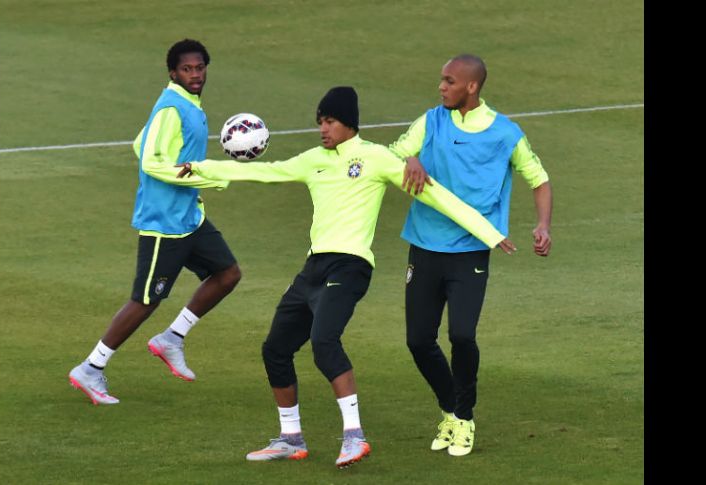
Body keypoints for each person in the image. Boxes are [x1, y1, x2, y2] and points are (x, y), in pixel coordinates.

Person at [176, 86, 515, 468]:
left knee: (324, 341)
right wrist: (202, 168)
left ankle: (354, 437)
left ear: (349, 124)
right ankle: (291, 438)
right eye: (320, 122)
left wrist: (489, 232)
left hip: (351, 266)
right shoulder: (313, 160)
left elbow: (437, 196)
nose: (323, 129)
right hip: (314, 267)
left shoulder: (377, 158)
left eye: (330, 121)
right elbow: (263, 172)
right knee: (275, 349)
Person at [390, 54, 553, 456]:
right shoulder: (431, 121)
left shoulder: (505, 133)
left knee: (462, 335)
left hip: (471, 251)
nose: (441, 87)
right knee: (418, 341)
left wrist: (543, 224)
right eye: (441, 80)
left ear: (472, 87)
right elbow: (391, 154)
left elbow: (539, 177)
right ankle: (452, 410)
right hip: (424, 245)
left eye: (449, 81)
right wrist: (408, 157)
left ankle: (464, 418)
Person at [68, 39, 242, 405]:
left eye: (199, 68)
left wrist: (187, 180)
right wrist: (207, 177)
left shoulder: (188, 105)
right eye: (187, 69)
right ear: (173, 73)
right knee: (146, 300)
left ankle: (172, 339)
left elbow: (140, 144)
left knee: (228, 274)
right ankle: (91, 368)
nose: (195, 75)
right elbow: (149, 161)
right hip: (164, 224)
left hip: (190, 218)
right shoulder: (172, 108)